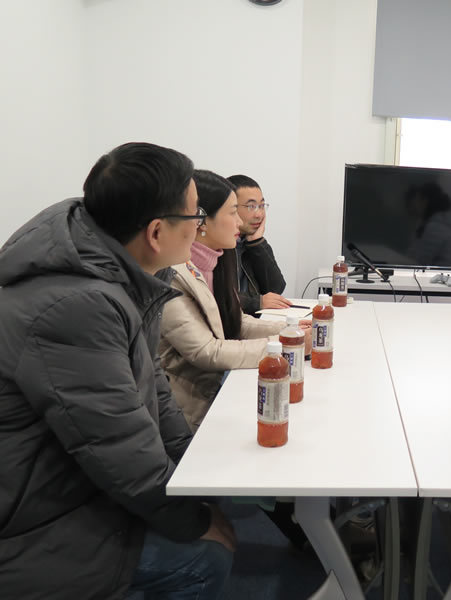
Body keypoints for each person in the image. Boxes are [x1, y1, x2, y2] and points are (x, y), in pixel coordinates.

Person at [0, 143, 235, 599]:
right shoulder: (77, 306)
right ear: (156, 232)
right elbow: (118, 450)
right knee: (205, 558)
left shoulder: (124, 273)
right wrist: (194, 519)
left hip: (73, 482)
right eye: (195, 216)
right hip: (34, 520)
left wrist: (194, 469)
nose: (200, 226)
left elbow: (153, 387)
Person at [159, 169, 310, 432]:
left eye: (261, 206)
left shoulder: (218, 259)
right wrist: (284, 344)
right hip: (187, 411)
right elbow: (206, 351)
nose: (240, 222)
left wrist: (291, 330)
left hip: (215, 391)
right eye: (234, 213)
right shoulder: (173, 273)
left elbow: (235, 321)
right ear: (201, 221)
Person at [228, 174, 289, 316]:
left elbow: (276, 289)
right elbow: (216, 296)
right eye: (251, 206)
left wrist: (256, 243)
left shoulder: (251, 242)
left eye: (261, 206)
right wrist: (256, 302)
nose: (259, 214)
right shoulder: (218, 245)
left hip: (251, 322)